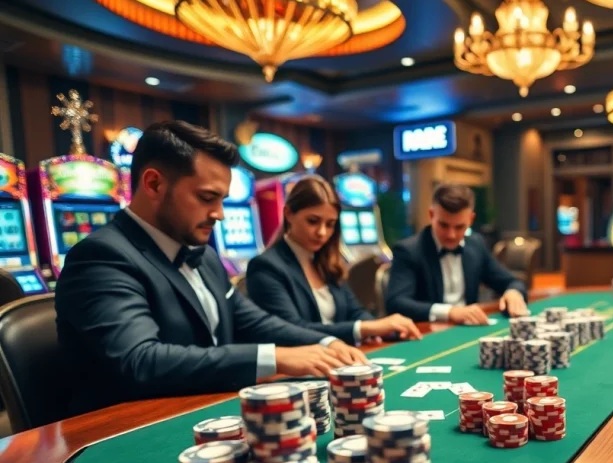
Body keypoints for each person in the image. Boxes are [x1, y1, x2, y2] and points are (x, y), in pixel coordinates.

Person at [55, 120, 367, 414]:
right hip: (126, 433)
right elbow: (140, 360)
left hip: (202, 407)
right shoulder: (102, 256)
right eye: (207, 198)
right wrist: (274, 357)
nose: (219, 214)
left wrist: (325, 343)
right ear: (153, 184)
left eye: (222, 200)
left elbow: (255, 322)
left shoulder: (203, 255)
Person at [246, 176, 421, 344]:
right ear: (289, 213)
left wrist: (384, 329)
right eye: (313, 221)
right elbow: (293, 330)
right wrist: (365, 328)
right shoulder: (266, 267)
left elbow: (355, 312)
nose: (322, 232)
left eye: (330, 224)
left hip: (340, 356)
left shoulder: (327, 262)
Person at [385, 184, 529, 324]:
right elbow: (396, 303)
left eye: (460, 227)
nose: (451, 235)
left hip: (469, 330)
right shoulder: (408, 250)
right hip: (428, 334)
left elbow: (512, 281)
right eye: (443, 225)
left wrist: (513, 292)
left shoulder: (476, 244)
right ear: (431, 214)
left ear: (471, 219)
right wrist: (449, 312)